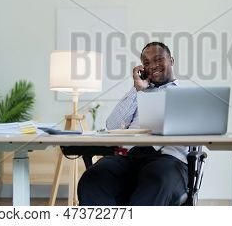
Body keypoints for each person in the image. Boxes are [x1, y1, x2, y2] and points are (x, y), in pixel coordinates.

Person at [77, 42, 189, 206]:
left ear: (171, 60)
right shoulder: (138, 93)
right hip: (129, 157)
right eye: (146, 63)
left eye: (158, 59)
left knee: (155, 178)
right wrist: (137, 90)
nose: (152, 66)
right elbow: (112, 125)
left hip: (168, 159)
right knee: (94, 177)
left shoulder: (186, 97)